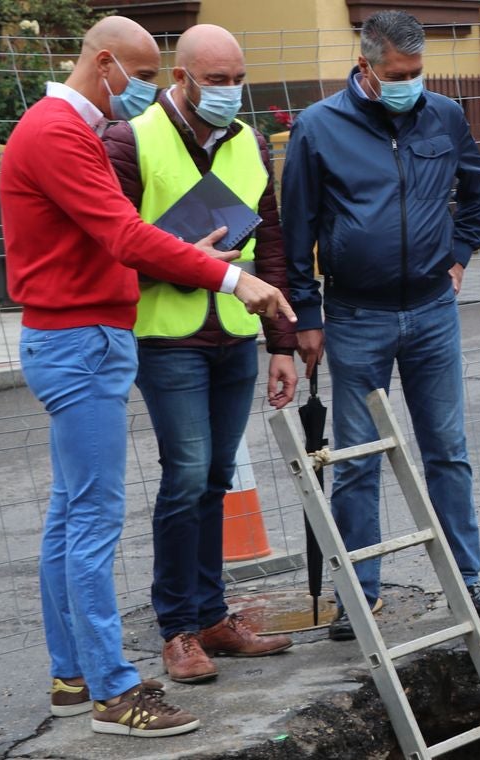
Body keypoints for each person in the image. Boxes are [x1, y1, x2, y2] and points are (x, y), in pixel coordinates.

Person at [0, 15, 294, 737]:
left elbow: (118, 240)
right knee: (93, 520)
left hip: (81, 334)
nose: (149, 91)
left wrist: (190, 259)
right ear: (105, 64)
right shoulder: (62, 132)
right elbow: (124, 233)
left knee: (71, 515)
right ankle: (114, 692)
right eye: (145, 76)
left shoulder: (65, 129)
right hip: (80, 340)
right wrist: (232, 278)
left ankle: (72, 676)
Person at [282, 10, 480, 640]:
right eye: (397, 74)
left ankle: (466, 577)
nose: (409, 84)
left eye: (416, 72)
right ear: (366, 67)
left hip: (432, 311)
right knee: (356, 461)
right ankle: (360, 594)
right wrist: (307, 314)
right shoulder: (318, 127)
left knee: (447, 452)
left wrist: (459, 254)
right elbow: (298, 229)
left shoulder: (444, 116)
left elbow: (478, 189)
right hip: (356, 316)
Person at [102, 24, 297, 684]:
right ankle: (178, 630)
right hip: (169, 337)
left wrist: (281, 342)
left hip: (235, 335)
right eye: (216, 80)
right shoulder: (131, 139)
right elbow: (112, 246)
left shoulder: (249, 143)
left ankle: (212, 616)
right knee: (186, 476)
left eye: (238, 79)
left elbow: (271, 240)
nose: (229, 91)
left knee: (216, 476)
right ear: (181, 77)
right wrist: (187, 261)